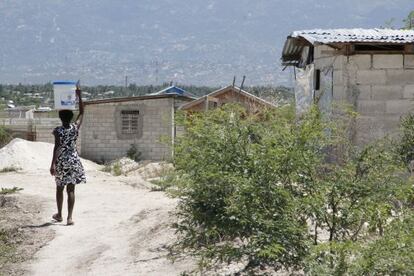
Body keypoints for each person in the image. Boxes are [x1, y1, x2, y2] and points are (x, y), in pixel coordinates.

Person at [50, 83, 86, 226]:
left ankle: (59, 214)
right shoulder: (75, 128)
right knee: (71, 189)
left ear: (60, 118)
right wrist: (79, 96)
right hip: (74, 160)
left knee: (60, 187)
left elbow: (57, 147)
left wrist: (52, 164)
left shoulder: (58, 131)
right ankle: (69, 218)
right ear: (71, 117)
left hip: (62, 161)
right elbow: (82, 112)